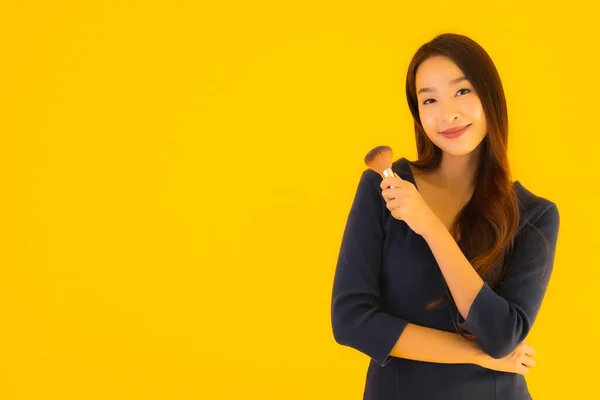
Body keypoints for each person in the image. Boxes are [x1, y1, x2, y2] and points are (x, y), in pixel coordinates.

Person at [330, 33, 560, 400]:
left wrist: (431, 228)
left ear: (490, 96)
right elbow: (351, 321)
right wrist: (477, 355)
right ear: (418, 114)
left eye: (462, 92)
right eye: (430, 99)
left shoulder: (534, 215)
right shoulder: (384, 186)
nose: (447, 113)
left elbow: (502, 336)